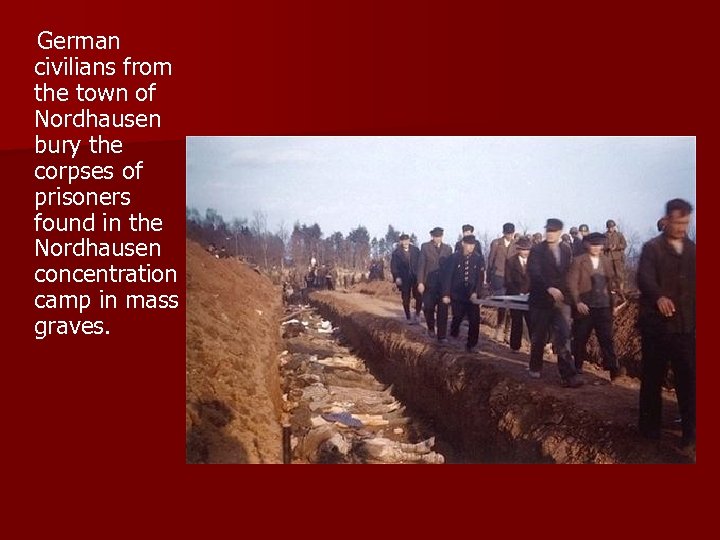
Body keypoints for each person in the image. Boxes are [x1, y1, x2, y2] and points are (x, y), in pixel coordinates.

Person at [637, 199, 695, 449]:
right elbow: (644, 278)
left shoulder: (693, 250)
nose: (682, 228)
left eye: (686, 223)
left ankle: (690, 435)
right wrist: (658, 296)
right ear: (667, 220)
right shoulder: (652, 248)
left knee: (689, 379)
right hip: (657, 327)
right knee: (652, 377)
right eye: (678, 222)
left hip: (685, 328)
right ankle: (649, 431)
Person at [527, 218, 582, 387]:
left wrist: (573, 298)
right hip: (541, 300)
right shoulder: (537, 250)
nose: (550, 234)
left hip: (561, 301)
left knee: (564, 336)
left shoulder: (566, 250)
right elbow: (534, 272)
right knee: (538, 337)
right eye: (548, 231)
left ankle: (568, 376)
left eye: (553, 231)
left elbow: (568, 275)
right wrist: (548, 287)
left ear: (559, 233)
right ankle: (535, 366)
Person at [567, 232, 623, 380]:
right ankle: (577, 366)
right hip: (585, 307)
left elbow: (611, 283)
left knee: (606, 338)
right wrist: (577, 302)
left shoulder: (605, 261)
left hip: (603, 306)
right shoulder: (578, 261)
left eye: (599, 245)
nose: (597, 248)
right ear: (587, 245)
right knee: (580, 338)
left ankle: (613, 370)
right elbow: (572, 284)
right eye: (593, 245)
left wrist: (613, 304)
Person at [443, 234, 486, 352]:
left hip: (472, 295)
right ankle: (453, 332)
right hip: (457, 294)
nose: (471, 247)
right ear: (463, 244)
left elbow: (480, 279)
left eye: (473, 245)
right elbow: (448, 277)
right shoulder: (454, 258)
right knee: (457, 317)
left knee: (474, 319)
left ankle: (471, 344)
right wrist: (446, 294)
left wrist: (476, 293)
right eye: (468, 245)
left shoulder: (478, 258)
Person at [417, 227, 453, 343]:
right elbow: (421, 265)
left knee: (443, 310)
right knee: (428, 308)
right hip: (429, 284)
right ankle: (431, 328)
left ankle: (442, 336)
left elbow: (450, 269)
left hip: (443, 285)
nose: (438, 239)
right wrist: (420, 282)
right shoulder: (425, 247)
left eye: (440, 236)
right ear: (432, 236)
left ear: (442, 237)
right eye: (436, 236)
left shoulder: (448, 249)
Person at [487, 222, 517, 340]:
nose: (509, 235)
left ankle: (508, 331)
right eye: (507, 233)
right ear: (503, 233)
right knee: (501, 303)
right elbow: (491, 260)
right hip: (498, 276)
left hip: (512, 278)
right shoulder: (496, 243)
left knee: (512, 304)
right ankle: (499, 328)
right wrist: (489, 277)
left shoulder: (516, 244)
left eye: (511, 233)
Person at [504, 236, 532, 353]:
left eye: (527, 250)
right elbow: (508, 280)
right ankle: (515, 347)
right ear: (518, 249)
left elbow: (537, 279)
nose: (525, 252)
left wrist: (531, 292)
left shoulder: (533, 261)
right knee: (517, 321)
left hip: (530, 296)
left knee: (531, 321)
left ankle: (535, 347)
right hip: (515, 296)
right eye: (523, 249)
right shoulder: (511, 261)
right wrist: (518, 293)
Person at [391, 233, 422, 324]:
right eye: (403, 241)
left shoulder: (416, 251)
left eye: (407, 240)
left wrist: (421, 277)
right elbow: (394, 266)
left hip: (415, 277)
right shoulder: (396, 253)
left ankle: (417, 314)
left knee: (419, 296)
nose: (405, 242)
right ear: (401, 242)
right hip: (404, 278)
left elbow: (421, 263)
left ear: (409, 241)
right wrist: (397, 277)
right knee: (405, 298)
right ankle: (408, 316)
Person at [604, 219, 627, 295]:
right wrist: (608, 247)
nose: (611, 229)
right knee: (609, 274)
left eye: (612, 227)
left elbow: (624, 244)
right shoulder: (604, 236)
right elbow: (601, 246)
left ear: (614, 227)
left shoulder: (619, 235)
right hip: (608, 257)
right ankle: (611, 289)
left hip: (617, 257)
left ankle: (621, 289)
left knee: (619, 274)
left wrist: (616, 246)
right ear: (607, 228)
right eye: (609, 227)